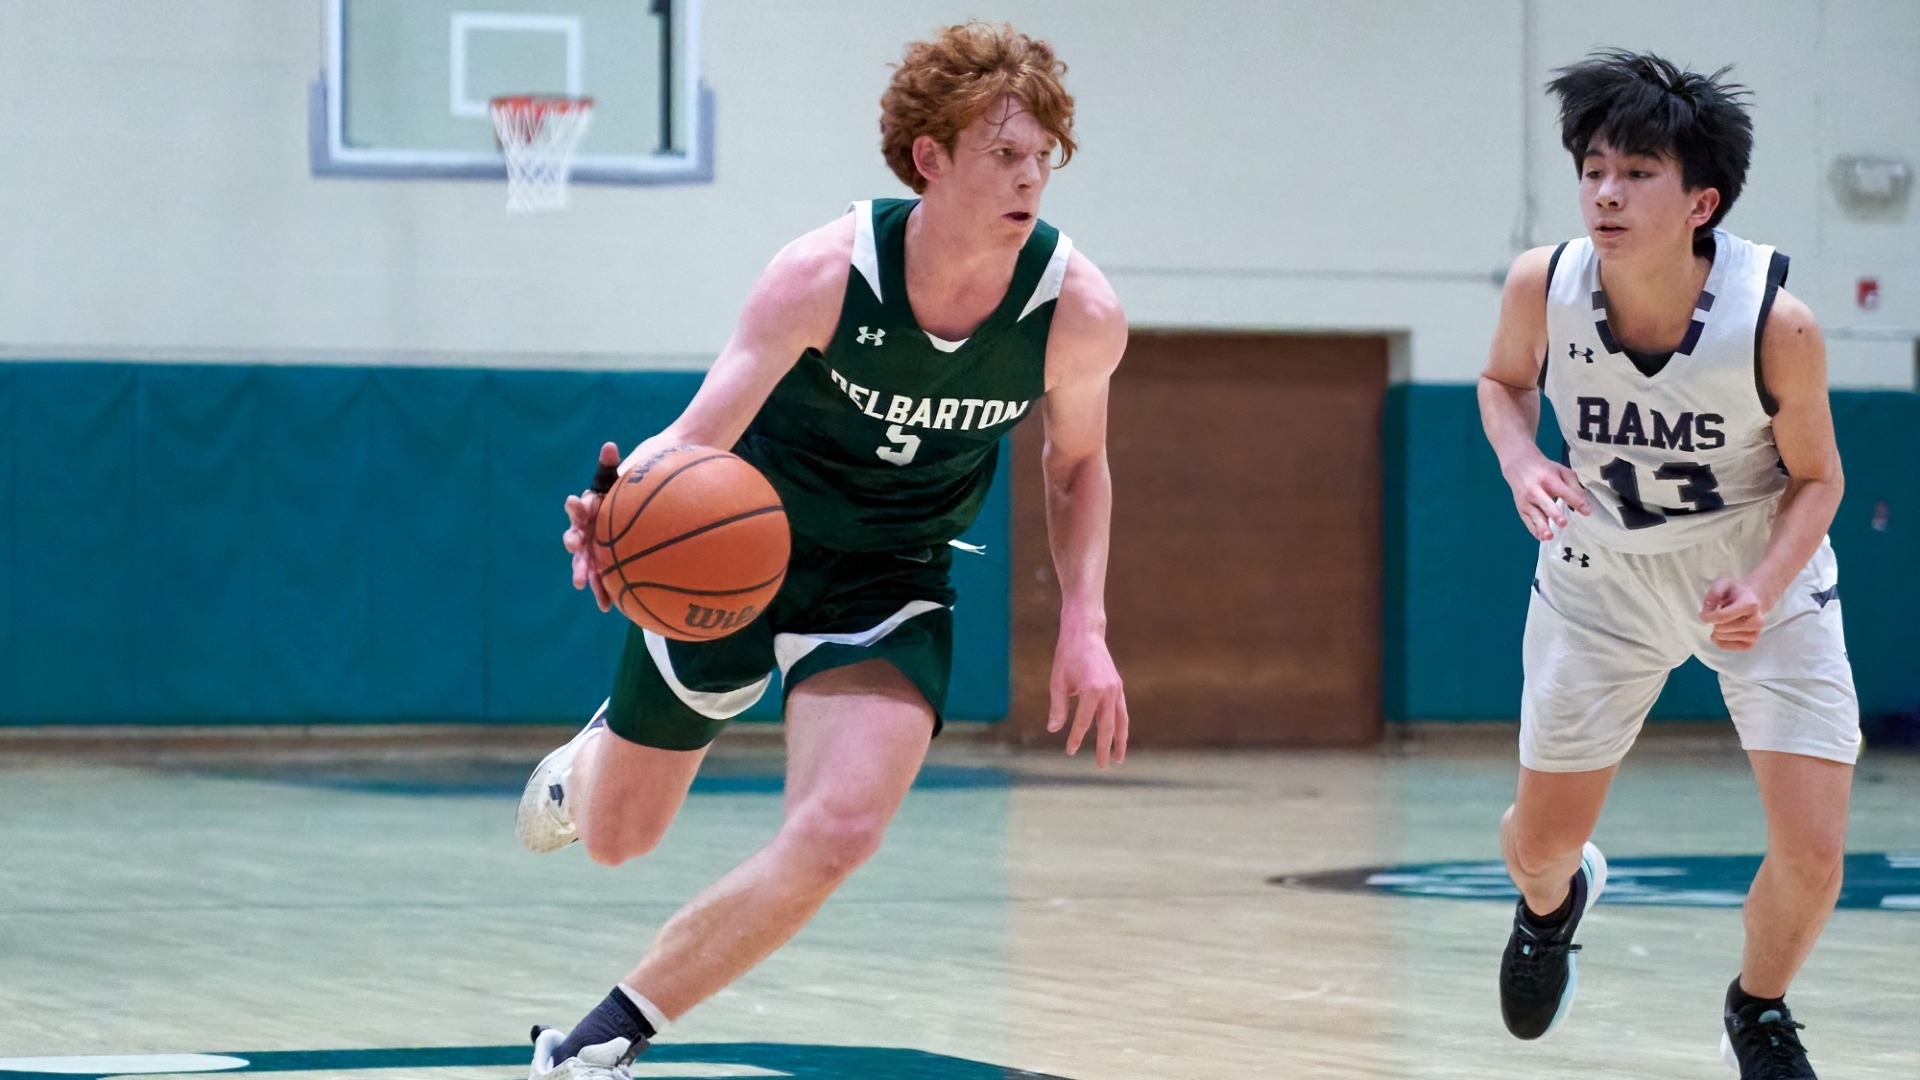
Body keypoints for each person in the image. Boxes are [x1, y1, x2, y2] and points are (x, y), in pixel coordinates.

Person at [516, 21, 1131, 1080]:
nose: (1031, 176)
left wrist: (1087, 622)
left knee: (842, 828)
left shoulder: (1074, 311)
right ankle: (593, 760)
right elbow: (698, 432)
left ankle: (604, 1037)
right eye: (1003, 153)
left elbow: (1075, 466)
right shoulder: (822, 274)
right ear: (929, 158)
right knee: (621, 841)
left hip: (893, 577)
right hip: (741, 556)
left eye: (1042, 156)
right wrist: (615, 511)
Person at [1478, 50, 1857, 1079]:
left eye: (1637, 171)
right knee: (1540, 844)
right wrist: (1521, 460)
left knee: (1816, 846)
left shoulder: (1775, 321)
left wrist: (1767, 586)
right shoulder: (1542, 284)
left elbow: (1818, 482)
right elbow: (1503, 382)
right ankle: (1553, 909)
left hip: (1752, 569)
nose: (1605, 190)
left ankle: (1760, 1009)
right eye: (1595, 167)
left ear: (1702, 200)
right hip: (1602, 575)